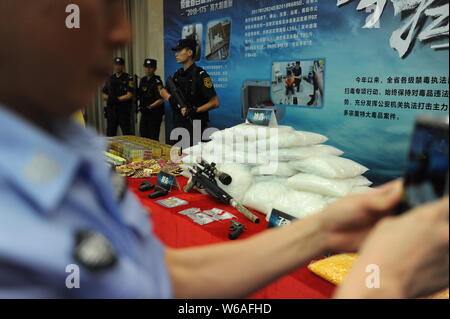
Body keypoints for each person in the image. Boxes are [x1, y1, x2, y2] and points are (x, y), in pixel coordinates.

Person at [0, 0, 448, 299]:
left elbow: (164, 278)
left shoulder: (65, 146)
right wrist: (386, 279)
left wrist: (322, 231)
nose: (121, 31)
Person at [160, 39, 219, 148]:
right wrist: (172, 99)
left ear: (189, 52)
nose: (176, 54)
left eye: (179, 51)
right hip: (178, 123)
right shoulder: (177, 74)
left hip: (195, 125)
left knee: (193, 160)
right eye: (175, 51)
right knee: (177, 159)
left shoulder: (200, 75)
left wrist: (194, 110)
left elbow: (215, 102)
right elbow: (162, 91)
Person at [102, 57, 134, 136]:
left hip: (123, 110)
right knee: (110, 133)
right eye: (116, 65)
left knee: (127, 133)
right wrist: (110, 98)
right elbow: (103, 94)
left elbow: (130, 95)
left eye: (119, 65)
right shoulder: (110, 78)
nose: (117, 67)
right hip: (111, 110)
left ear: (123, 66)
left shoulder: (128, 78)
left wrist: (117, 99)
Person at [138, 59, 164, 141]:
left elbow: (161, 99)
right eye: (146, 67)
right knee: (143, 137)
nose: (148, 70)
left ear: (155, 69)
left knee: (153, 138)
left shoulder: (157, 81)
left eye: (150, 67)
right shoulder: (143, 80)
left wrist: (150, 107)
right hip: (144, 113)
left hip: (154, 114)